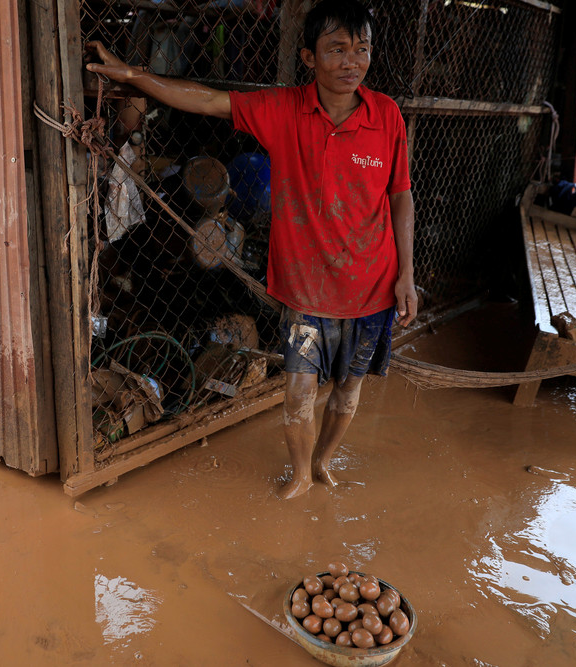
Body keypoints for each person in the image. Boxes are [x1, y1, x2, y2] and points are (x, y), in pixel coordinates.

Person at [87, 0, 417, 499]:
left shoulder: (386, 116)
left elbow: (401, 196)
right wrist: (135, 75)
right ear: (308, 57)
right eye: (337, 49)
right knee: (299, 393)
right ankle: (301, 473)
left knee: (349, 391)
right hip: (307, 291)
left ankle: (325, 462)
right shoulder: (283, 109)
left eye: (362, 49)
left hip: (373, 288)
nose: (352, 62)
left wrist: (406, 274)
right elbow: (205, 101)